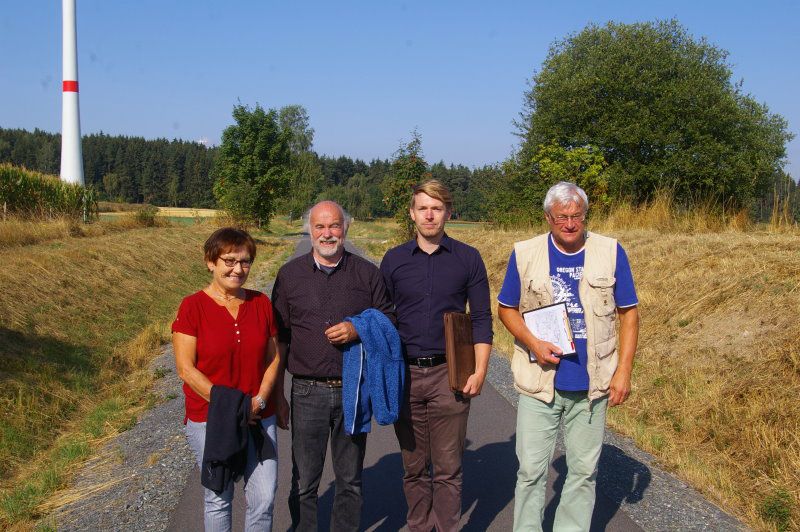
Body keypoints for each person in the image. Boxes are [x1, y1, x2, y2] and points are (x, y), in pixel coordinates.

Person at [497, 181, 640, 531]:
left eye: (577, 216)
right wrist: (532, 341)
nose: (571, 224)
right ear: (548, 217)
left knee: (583, 472)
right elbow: (506, 309)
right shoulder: (526, 252)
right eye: (562, 217)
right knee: (531, 471)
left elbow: (629, 314)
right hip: (539, 382)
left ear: (585, 214)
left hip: (593, 383)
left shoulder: (610, 251)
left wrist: (623, 372)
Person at [271, 200, 394, 532]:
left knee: (350, 480)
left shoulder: (367, 273)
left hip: (353, 391)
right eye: (320, 227)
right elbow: (279, 338)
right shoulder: (289, 275)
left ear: (346, 228)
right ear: (309, 230)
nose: (328, 234)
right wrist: (278, 396)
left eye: (334, 226)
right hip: (306, 391)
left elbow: (388, 320)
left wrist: (357, 329)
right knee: (304, 481)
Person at [380, 180, 493, 532]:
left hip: (450, 376)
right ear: (412, 213)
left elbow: (482, 318)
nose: (430, 215)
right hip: (406, 377)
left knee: (447, 468)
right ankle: (417, 526)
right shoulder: (394, 260)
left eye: (437, 208)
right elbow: (382, 318)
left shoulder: (468, 258)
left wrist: (480, 371)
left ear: (448, 213)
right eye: (423, 208)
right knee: (413, 467)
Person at [172, 227, 285, 532]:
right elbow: (186, 369)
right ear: (211, 261)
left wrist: (261, 399)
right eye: (230, 260)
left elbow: (273, 358)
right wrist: (234, 407)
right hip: (211, 418)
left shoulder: (261, 304)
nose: (238, 269)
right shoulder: (192, 307)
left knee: (263, 496)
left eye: (245, 261)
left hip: (259, 415)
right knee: (218, 497)